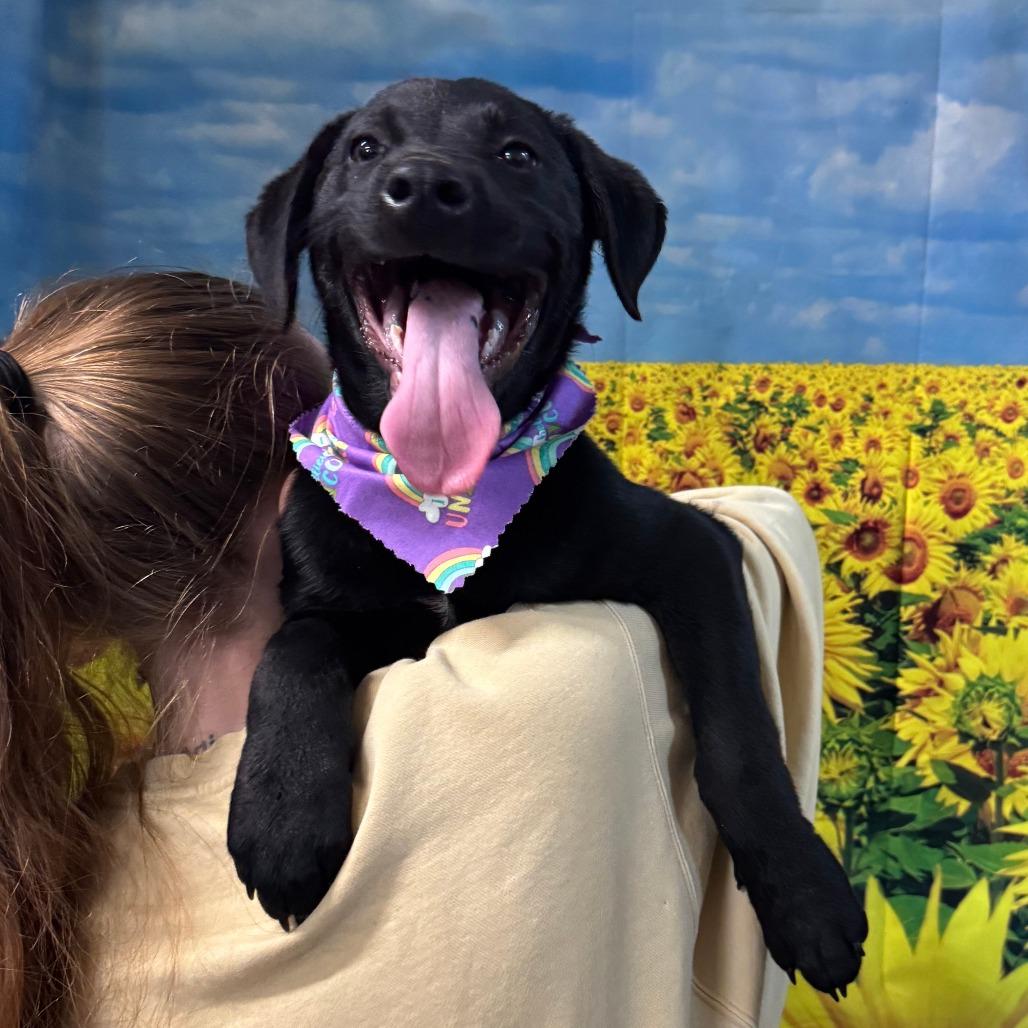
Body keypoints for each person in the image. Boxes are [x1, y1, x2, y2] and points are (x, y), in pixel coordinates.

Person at [0, 271, 826, 1028]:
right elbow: (751, 528)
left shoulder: (53, 883)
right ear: (307, 503)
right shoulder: (576, 682)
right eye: (371, 455)